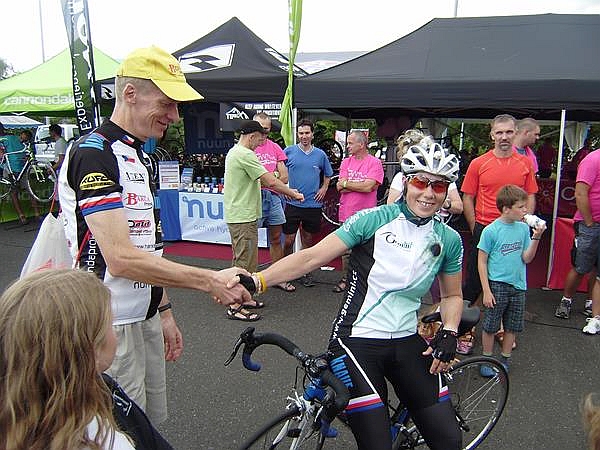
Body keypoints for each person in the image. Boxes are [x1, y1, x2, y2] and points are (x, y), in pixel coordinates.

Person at [58, 46, 252, 425]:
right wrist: (210, 280)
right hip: (106, 324)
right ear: (130, 94)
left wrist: (163, 311)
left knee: (147, 425)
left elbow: (149, 247)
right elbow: (120, 258)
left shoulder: (142, 156)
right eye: (166, 103)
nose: (175, 116)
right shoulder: (94, 152)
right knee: (116, 433)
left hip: (144, 316)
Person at [243, 138, 464, 450]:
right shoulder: (372, 220)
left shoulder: (448, 239)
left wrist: (450, 330)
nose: (428, 193)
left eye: (438, 186)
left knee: (449, 440)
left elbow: (452, 296)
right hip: (357, 340)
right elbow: (311, 257)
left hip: (406, 338)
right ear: (406, 182)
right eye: (420, 182)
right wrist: (256, 281)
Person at [0, 269, 172, 450]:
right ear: (90, 348)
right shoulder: (102, 437)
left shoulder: (17, 415)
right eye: (109, 324)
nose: (114, 332)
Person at [224, 119, 304, 320]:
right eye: (259, 139)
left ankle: (245, 297)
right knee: (243, 261)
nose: (261, 143)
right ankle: (234, 306)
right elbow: (270, 181)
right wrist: (293, 194)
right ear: (251, 136)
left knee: (247, 259)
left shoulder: (236, 152)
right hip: (242, 215)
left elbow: (271, 179)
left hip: (243, 214)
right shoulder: (244, 154)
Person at [461, 114, 538, 307]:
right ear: (492, 135)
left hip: (514, 229)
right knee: (474, 278)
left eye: (509, 132)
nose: (504, 137)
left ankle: (501, 320)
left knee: (508, 277)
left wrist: (525, 221)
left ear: (516, 133)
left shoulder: (525, 163)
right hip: (485, 226)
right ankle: (465, 319)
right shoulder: (478, 163)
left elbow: (530, 195)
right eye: (499, 132)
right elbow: (468, 197)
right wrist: (475, 226)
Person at [477, 185, 546, 376]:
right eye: (521, 207)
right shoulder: (491, 231)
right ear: (506, 208)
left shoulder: (523, 229)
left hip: (518, 285)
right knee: (491, 325)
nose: (525, 210)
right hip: (497, 284)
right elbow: (481, 261)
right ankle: (486, 360)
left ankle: (504, 360)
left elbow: (527, 258)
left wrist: (536, 238)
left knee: (512, 325)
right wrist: (486, 290)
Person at [283, 119, 334, 287]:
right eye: (301, 133)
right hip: (293, 203)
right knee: (289, 240)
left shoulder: (320, 154)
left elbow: (328, 174)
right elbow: (278, 172)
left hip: (312, 204)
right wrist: (286, 189)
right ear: (297, 134)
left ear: (312, 134)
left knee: (307, 240)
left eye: (307, 133)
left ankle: (304, 272)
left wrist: (324, 188)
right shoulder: (288, 151)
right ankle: (285, 271)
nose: (304, 136)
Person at [555, 144, 600, 332]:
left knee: (597, 269)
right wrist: (589, 222)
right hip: (590, 223)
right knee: (581, 265)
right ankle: (566, 300)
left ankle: (591, 303)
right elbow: (580, 193)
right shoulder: (593, 159)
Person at [333, 130, 384, 293]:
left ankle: (364, 281)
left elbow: (369, 187)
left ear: (361, 144)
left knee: (367, 250)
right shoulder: (345, 162)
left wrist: (347, 184)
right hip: (346, 213)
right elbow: (340, 187)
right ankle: (346, 280)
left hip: (367, 215)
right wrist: (359, 184)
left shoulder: (374, 163)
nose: (347, 146)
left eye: (350, 143)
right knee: (346, 250)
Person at [252, 112, 295, 293]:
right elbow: (251, 179)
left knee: (276, 238)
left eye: (267, 130)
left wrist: (267, 178)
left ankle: (277, 278)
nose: (264, 133)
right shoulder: (246, 148)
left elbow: (284, 178)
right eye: (260, 129)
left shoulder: (275, 147)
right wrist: (272, 176)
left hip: (274, 197)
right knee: (250, 241)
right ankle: (249, 280)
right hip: (253, 198)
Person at [0, 122, 33, 225]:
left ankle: (28, 215)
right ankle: (25, 215)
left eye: (26, 138)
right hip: (14, 168)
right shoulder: (9, 138)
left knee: (25, 192)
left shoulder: (8, 139)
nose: (24, 139)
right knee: (19, 192)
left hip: (18, 169)